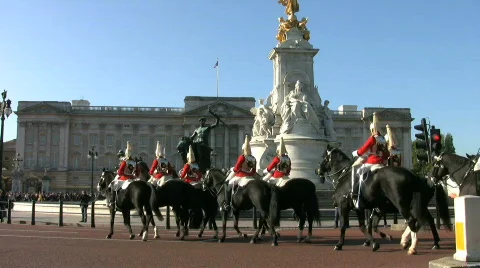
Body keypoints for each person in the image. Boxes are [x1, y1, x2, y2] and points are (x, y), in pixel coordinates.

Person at [351, 112, 389, 208]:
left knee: (356, 171)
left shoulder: (373, 138)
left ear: (372, 129)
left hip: (372, 162)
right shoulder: (383, 140)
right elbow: (387, 154)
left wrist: (355, 153)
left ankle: (355, 193)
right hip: (382, 163)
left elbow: (363, 149)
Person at [224, 135, 257, 210]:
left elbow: (236, 169)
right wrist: (250, 173)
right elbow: (254, 171)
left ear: (243, 150)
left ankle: (227, 203)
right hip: (250, 177)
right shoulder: (253, 158)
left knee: (227, 185)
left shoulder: (242, 157)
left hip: (240, 176)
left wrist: (234, 170)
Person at [107, 141, 138, 208]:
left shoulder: (124, 161)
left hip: (124, 178)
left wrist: (122, 172)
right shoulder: (134, 162)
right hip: (132, 179)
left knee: (113, 185)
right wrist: (133, 176)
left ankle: (112, 202)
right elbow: (137, 173)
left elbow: (120, 172)